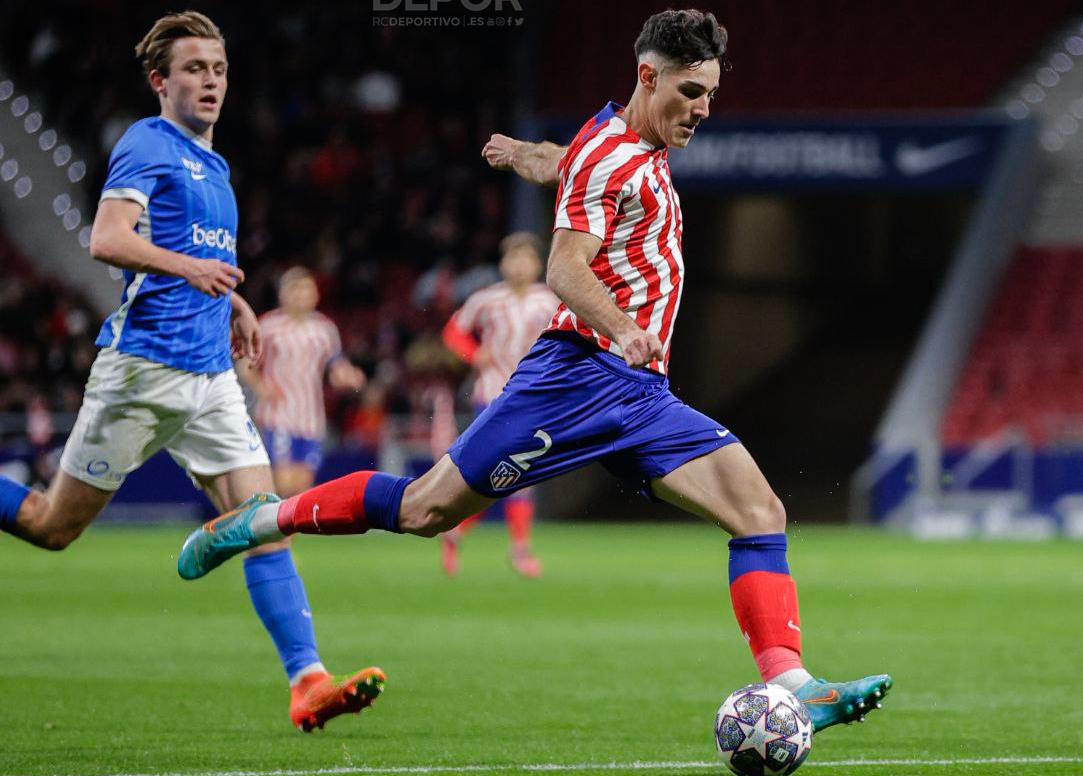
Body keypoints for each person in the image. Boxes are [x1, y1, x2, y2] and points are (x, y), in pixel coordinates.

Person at [175, 8, 891, 733]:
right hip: (575, 379)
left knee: (759, 512)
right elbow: (565, 268)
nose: (703, 109)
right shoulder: (611, 155)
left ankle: (793, 684)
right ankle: (262, 519)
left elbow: (568, 163)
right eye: (690, 92)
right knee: (424, 511)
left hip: (641, 394)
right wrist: (622, 328)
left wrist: (527, 155)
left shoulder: (620, 142)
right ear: (648, 77)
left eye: (709, 93)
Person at [0, 10, 383, 733]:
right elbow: (107, 238)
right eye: (194, 69)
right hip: (142, 371)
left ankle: (307, 682)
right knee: (51, 524)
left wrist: (235, 302)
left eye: (218, 69)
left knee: (265, 523)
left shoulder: (216, 167)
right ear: (160, 81)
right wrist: (190, 269)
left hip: (212, 377)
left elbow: (199, 257)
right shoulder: (147, 143)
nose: (210, 81)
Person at [439, 232, 560, 578]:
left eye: (526, 258)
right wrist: (473, 353)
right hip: (492, 395)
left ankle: (468, 535)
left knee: (516, 473)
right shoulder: (486, 300)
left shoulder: (550, 301)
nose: (519, 265)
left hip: (535, 396)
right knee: (501, 472)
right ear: (503, 264)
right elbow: (454, 331)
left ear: (538, 264)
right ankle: (506, 545)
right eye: (513, 258)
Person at [242, 266, 365, 498]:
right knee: (283, 484)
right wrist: (261, 387)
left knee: (302, 487)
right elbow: (246, 365)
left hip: (311, 418)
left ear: (315, 294)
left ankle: (286, 525)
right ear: (283, 294)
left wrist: (349, 376)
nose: (301, 295)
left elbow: (336, 367)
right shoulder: (268, 326)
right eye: (295, 289)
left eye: (306, 289)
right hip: (278, 414)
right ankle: (269, 521)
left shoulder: (325, 330)